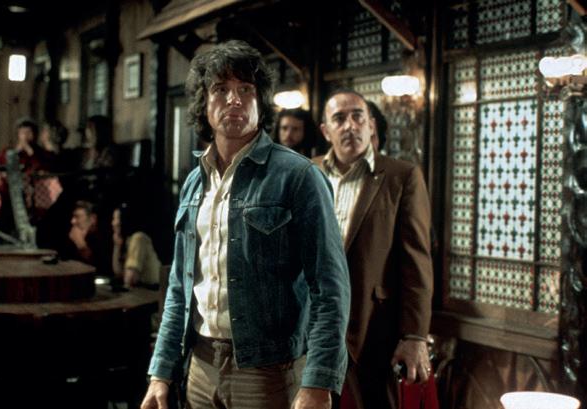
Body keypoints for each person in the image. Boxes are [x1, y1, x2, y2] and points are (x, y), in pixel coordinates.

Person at [141, 40, 350, 409]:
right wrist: (161, 373)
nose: (234, 100)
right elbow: (179, 288)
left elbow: (330, 288)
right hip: (200, 367)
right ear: (204, 103)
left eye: (246, 90)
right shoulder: (194, 183)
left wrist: (318, 381)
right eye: (221, 89)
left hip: (269, 371)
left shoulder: (298, 176)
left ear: (260, 102)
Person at [313, 89, 434, 409]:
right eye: (339, 118)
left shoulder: (401, 176)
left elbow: (416, 261)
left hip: (373, 327)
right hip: (311, 325)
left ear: (371, 125)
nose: (350, 125)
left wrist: (414, 336)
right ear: (326, 131)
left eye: (358, 116)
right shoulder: (307, 172)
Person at [111, 203, 161, 288]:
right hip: (141, 290)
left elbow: (130, 279)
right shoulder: (127, 241)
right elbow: (118, 272)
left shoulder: (138, 238)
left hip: (151, 290)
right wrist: (117, 246)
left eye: (116, 218)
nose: (113, 223)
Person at [64, 200, 111, 276]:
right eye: (73, 217)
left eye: (77, 216)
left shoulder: (105, 238)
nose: (72, 221)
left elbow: (100, 269)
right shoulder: (74, 236)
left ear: (92, 219)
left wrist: (81, 245)